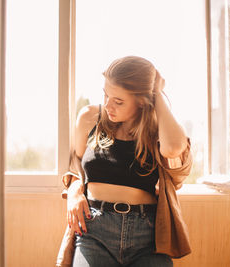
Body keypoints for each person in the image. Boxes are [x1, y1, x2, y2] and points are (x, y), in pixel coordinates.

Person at [58, 56, 192, 267]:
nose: (108, 105)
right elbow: (76, 164)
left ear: (142, 101)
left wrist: (156, 94)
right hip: (94, 230)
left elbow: (174, 148)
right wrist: (74, 191)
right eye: (106, 95)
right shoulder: (90, 118)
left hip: (148, 237)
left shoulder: (157, 131)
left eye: (118, 101)